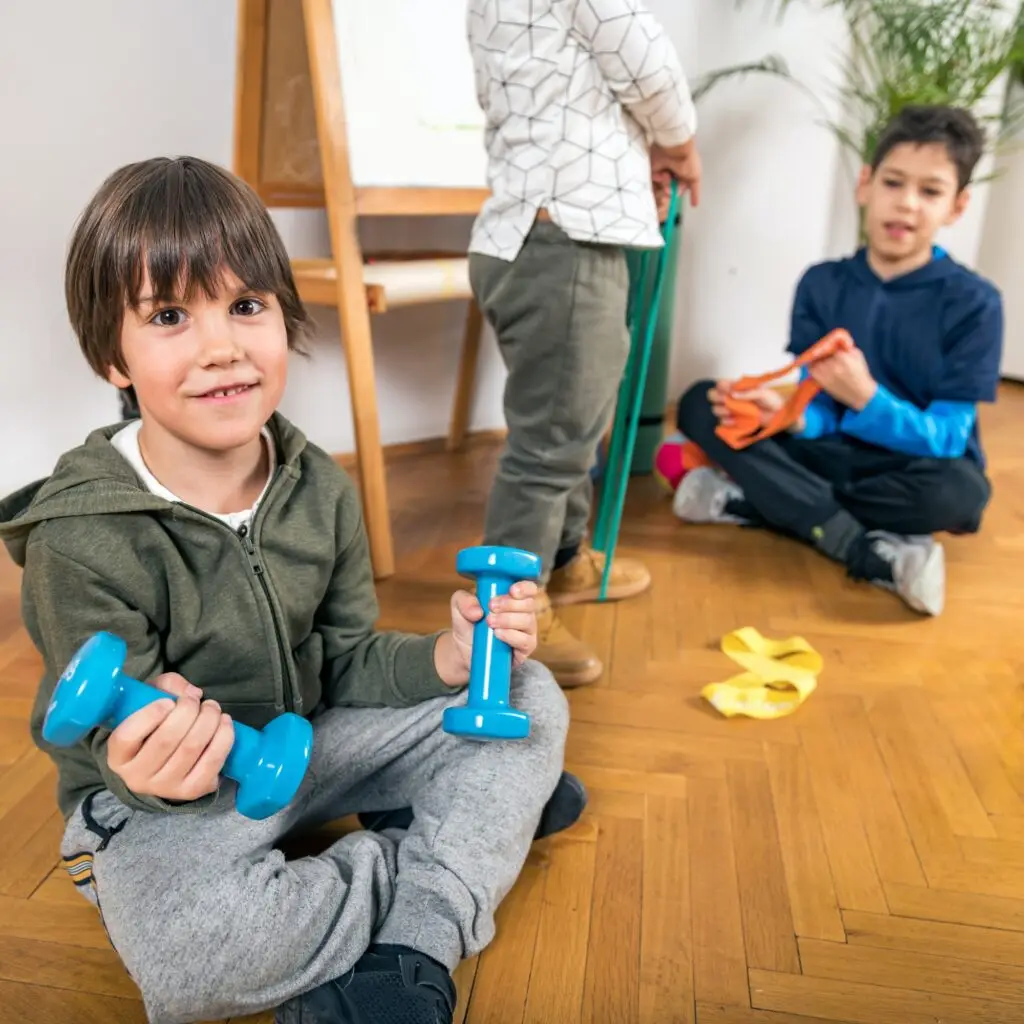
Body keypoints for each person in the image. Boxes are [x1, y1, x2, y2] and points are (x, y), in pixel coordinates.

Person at [0, 156, 587, 1024]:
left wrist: (448, 656)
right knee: (191, 957)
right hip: (169, 804)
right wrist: (146, 770)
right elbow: (93, 741)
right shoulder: (80, 537)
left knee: (529, 697)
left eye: (246, 305)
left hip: (310, 738)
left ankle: (411, 935)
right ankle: (444, 852)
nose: (222, 347)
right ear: (109, 357)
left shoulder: (320, 487)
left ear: (282, 314)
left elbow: (344, 659)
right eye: (169, 316)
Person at [666, 104, 1002, 617]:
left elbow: (949, 436)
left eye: (930, 191)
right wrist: (787, 415)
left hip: (911, 466)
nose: (907, 204)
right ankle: (865, 544)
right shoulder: (822, 283)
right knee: (699, 403)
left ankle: (759, 504)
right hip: (829, 453)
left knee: (962, 494)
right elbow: (816, 406)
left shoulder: (976, 303)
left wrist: (867, 398)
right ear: (865, 185)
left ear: (956, 207)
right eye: (894, 183)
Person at [466, 0, 703, 687]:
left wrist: (631, 178)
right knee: (552, 442)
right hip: (563, 246)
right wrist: (679, 145)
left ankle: (564, 557)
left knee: (574, 420)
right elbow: (647, 64)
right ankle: (510, 614)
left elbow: (570, 96)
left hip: (538, 237)